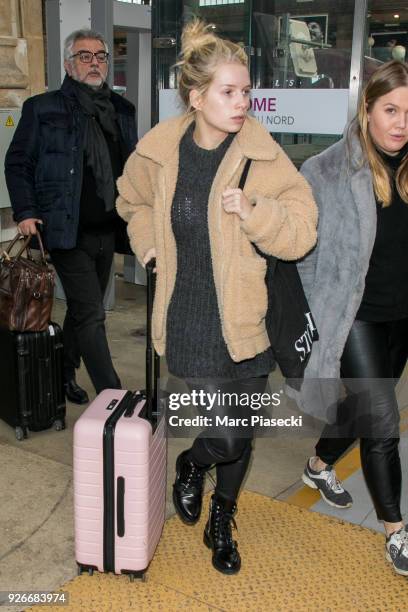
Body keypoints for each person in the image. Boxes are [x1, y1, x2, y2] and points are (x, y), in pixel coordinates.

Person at [116, 19, 317, 575]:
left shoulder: (263, 155)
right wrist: (151, 246)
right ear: (196, 96)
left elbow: (302, 231)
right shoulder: (159, 152)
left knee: (242, 430)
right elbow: (132, 202)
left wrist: (256, 212)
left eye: (246, 91)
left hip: (247, 320)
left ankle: (221, 519)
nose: (242, 102)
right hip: (187, 320)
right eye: (228, 92)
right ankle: (190, 462)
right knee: (225, 434)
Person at [297, 60, 408, 576]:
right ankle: (396, 532)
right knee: (381, 420)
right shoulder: (325, 170)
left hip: (401, 314)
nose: (401, 122)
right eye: (390, 109)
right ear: (367, 110)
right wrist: (318, 314)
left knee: (364, 409)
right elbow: (302, 255)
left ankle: (319, 464)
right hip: (354, 315)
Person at [5, 29, 137, 403]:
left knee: (83, 310)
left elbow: (132, 168)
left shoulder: (121, 111)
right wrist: (26, 211)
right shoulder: (43, 108)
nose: (94, 62)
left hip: (108, 228)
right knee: (93, 313)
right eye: (84, 56)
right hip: (65, 229)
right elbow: (17, 163)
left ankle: (62, 374)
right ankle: (114, 397)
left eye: (101, 56)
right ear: (68, 64)